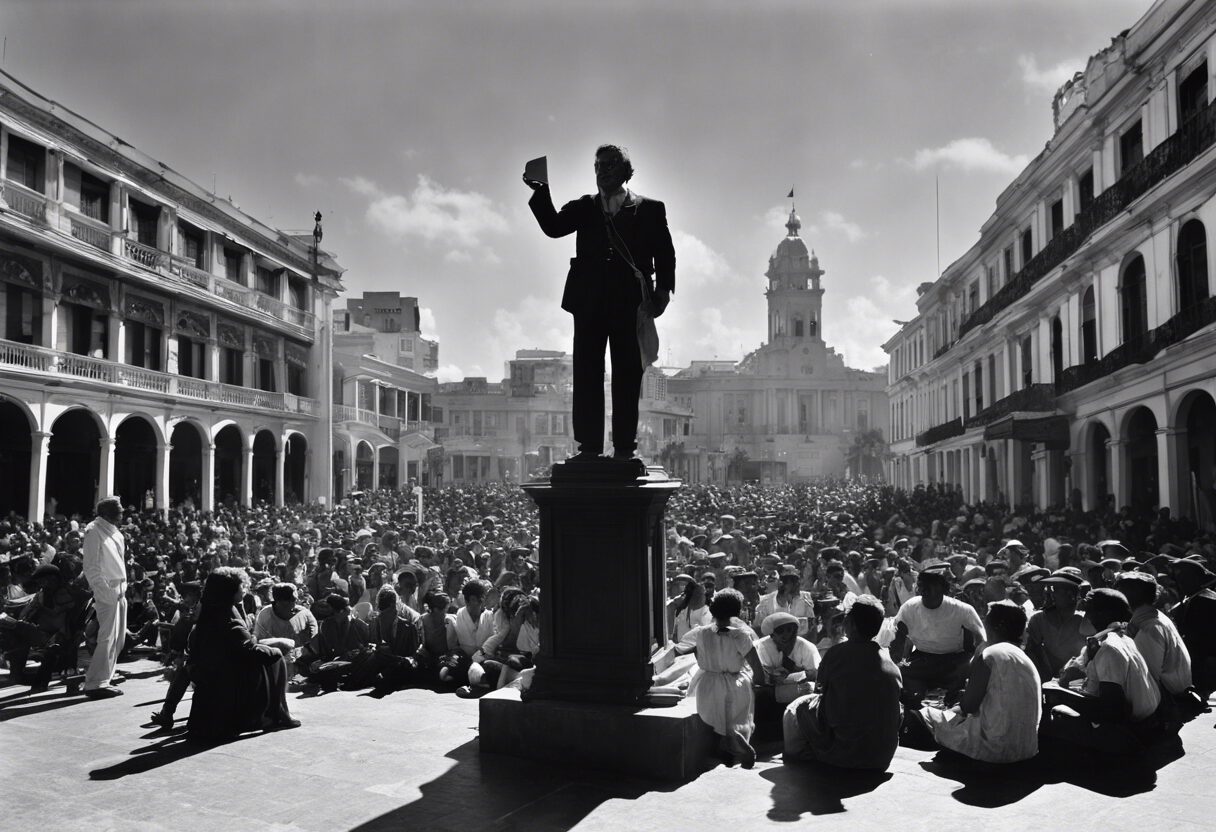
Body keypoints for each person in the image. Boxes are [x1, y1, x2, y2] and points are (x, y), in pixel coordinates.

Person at [524, 144, 676, 461]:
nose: (601, 171)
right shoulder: (585, 207)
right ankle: (589, 447)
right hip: (588, 302)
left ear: (624, 170)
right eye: (597, 166)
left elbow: (665, 255)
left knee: (627, 374)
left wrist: (661, 296)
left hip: (630, 304)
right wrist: (541, 191)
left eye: (608, 165)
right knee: (587, 373)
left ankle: (624, 448)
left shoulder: (649, 209)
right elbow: (553, 226)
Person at [782, 596, 903, 771]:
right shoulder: (886, 656)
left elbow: (819, 689)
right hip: (882, 759)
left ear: (852, 625)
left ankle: (796, 757)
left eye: (846, 617)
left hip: (843, 758)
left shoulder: (836, 653)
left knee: (796, 708)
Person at [917, 600, 1042, 763]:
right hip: (1026, 749)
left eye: (986, 623)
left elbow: (968, 706)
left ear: (999, 627)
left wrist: (951, 709)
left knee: (926, 715)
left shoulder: (990, 654)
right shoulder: (1022, 657)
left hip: (995, 748)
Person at [186, 567, 299, 742]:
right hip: (228, 679)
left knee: (269, 650)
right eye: (241, 587)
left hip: (211, 675)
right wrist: (275, 649)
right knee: (275, 656)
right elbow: (248, 649)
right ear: (230, 591)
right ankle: (279, 715)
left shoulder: (211, 608)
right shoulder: (227, 615)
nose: (244, 589)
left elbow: (243, 639)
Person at [1043, 588, 1162, 754]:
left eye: (1089, 610)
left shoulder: (1109, 648)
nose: (1085, 616)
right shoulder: (1121, 638)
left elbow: (1111, 710)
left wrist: (1060, 693)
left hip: (1126, 730)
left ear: (1103, 614)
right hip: (1142, 722)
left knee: (1051, 717)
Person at [673, 588, 763, 768]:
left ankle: (726, 745)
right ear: (737, 611)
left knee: (715, 721)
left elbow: (695, 655)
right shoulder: (740, 635)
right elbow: (757, 667)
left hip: (708, 683)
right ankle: (735, 742)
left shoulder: (701, 632)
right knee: (735, 718)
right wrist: (762, 681)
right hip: (736, 682)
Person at [1116, 571, 1195, 705]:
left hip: (1167, 701)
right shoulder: (1150, 618)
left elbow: (1146, 678)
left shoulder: (1150, 627)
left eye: (1118, 592)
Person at [82, 497, 128, 699]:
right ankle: (95, 684)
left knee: (118, 639)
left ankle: (106, 675)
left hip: (120, 588)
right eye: (119, 511)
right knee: (107, 637)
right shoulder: (94, 531)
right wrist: (105, 592)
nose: (123, 513)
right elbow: (90, 567)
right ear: (108, 513)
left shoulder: (115, 532)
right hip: (107, 590)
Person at [1025, 568, 1088, 680]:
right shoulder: (1039, 619)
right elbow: (1032, 650)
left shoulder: (1084, 620)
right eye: (1050, 589)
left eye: (1057, 590)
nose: (1050, 594)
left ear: (1072, 594)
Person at [754, 611, 820, 718]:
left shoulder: (807, 647)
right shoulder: (761, 647)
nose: (786, 635)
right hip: (772, 690)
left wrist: (798, 673)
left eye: (790, 630)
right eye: (780, 631)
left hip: (800, 690)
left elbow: (816, 675)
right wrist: (773, 676)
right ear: (772, 635)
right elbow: (760, 673)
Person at [253, 583, 319, 679]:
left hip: (301, 663)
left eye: (295, 599)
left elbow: (314, 638)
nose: (296, 601)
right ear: (279, 601)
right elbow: (259, 641)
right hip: (275, 662)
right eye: (292, 599)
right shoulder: (265, 615)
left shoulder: (304, 614)